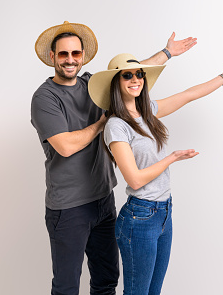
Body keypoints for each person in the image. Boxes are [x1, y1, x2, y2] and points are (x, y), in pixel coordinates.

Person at [30, 21, 197, 295]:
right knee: (66, 287)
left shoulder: (91, 85)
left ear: (82, 56)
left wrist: (166, 53)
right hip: (69, 208)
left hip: (103, 201)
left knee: (106, 282)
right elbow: (66, 146)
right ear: (52, 57)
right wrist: (103, 122)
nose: (70, 60)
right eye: (63, 54)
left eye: (75, 53)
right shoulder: (45, 97)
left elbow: (127, 72)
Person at [87, 53, 223, 294]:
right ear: (116, 83)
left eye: (139, 74)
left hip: (163, 213)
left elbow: (187, 95)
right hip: (139, 219)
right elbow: (134, 178)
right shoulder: (116, 126)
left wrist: (222, 79)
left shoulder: (148, 111)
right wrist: (171, 158)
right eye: (127, 75)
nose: (136, 79)